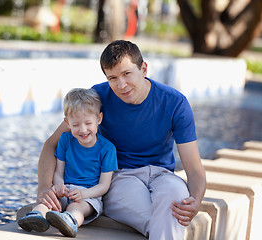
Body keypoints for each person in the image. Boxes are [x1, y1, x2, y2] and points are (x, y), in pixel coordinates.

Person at [35, 40, 206, 239]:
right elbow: (51, 144)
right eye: (113, 78)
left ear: (143, 69)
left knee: (178, 196)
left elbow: (194, 168)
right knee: (166, 218)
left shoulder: (175, 103)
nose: (121, 85)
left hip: (162, 175)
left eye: (127, 74)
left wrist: (196, 200)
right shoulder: (98, 98)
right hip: (121, 177)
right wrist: (44, 188)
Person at [18, 88, 118, 238]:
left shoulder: (107, 149)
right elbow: (59, 171)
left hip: (89, 195)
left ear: (99, 119)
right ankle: (37, 215)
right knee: (49, 200)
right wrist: (58, 185)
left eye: (88, 123)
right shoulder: (65, 140)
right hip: (66, 189)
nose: (83, 130)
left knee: (77, 208)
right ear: (67, 123)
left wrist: (83, 194)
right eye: (76, 125)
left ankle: (69, 221)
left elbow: (104, 185)